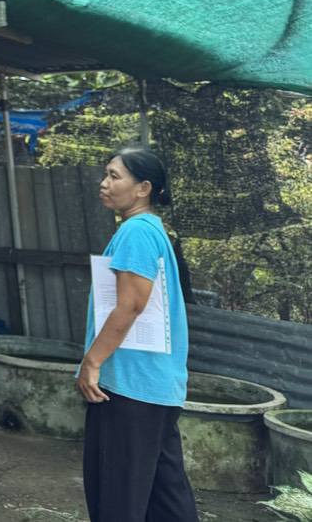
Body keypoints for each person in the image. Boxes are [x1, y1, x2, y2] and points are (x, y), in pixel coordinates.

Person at [77, 144, 197, 522]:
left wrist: (92, 362)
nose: (104, 183)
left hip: (131, 386)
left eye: (114, 176)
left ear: (143, 188)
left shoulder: (136, 232)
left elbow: (131, 304)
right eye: (106, 174)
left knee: (118, 498)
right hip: (155, 387)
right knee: (166, 499)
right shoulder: (151, 229)